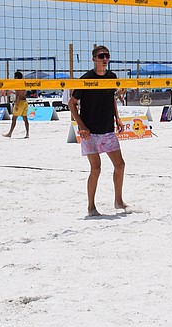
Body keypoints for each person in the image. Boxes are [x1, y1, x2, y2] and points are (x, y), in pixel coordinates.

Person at [70, 46, 127, 217]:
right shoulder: (85, 79)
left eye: (107, 56)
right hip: (90, 132)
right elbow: (72, 104)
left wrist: (117, 118)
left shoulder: (111, 77)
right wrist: (81, 126)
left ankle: (118, 201)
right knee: (96, 168)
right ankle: (91, 207)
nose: (105, 59)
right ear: (93, 58)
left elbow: (112, 98)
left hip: (107, 130)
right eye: (101, 56)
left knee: (120, 165)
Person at [3, 71, 30, 139]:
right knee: (25, 119)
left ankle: (10, 133)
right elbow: (21, 93)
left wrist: (17, 104)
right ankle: (27, 134)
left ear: (17, 77)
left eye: (15, 76)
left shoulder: (18, 84)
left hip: (20, 102)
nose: (14, 78)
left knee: (14, 119)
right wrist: (13, 92)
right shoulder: (23, 83)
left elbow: (18, 95)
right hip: (25, 102)